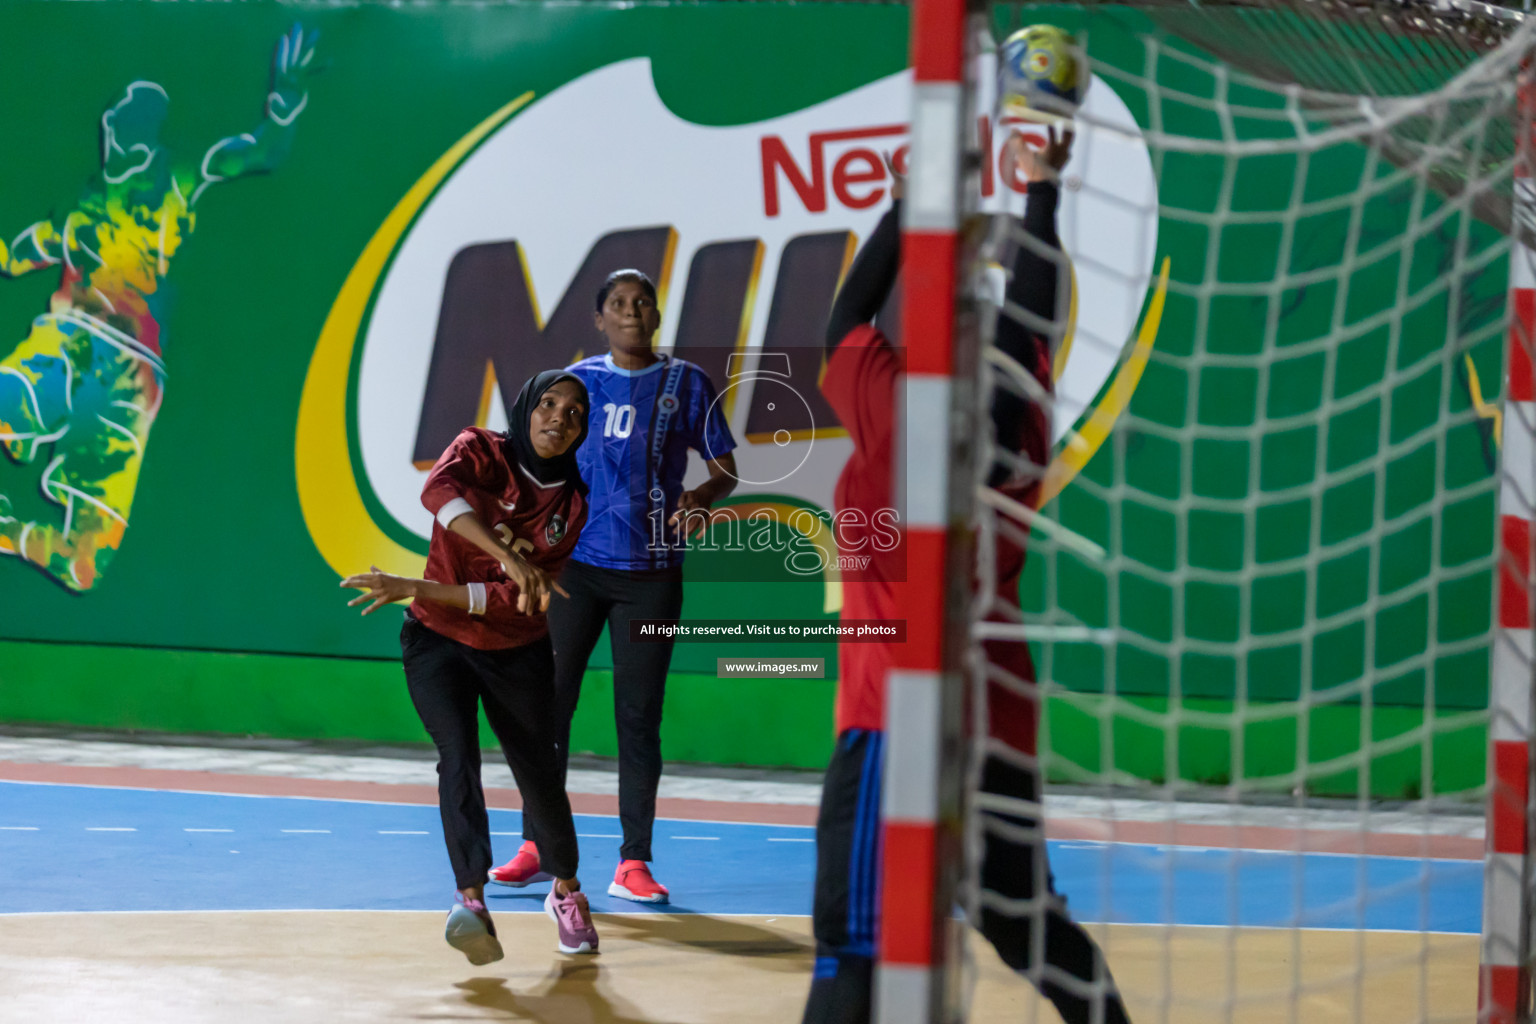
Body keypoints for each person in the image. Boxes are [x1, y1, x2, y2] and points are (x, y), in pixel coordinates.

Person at [801, 128, 1132, 1024]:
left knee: (850, 940)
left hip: (894, 718)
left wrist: (910, 204)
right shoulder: (1017, 431)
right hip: (1000, 722)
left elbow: (845, 322)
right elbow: (1030, 318)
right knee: (1024, 922)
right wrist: (1042, 191)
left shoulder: (892, 416)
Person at [0, 25, 315, 591]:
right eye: (121, 113)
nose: (122, 122)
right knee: (7, 410)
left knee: (84, 565)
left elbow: (261, 152)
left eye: (139, 115)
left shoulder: (176, 179)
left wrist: (286, 98)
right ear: (110, 127)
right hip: (71, 341)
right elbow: (15, 254)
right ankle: (20, 428)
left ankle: (6, 528)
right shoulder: (78, 208)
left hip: (132, 377)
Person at [488, 269, 738, 904]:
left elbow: (725, 468)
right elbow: (536, 464)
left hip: (652, 578)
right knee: (548, 710)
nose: (632, 311)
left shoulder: (688, 383)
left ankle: (633, 862)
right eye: (618, 304)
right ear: (599, 319)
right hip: (573, 572)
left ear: (656, 315)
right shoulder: (578, 387)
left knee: (638, 719)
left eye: (642, 302)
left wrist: (705, 494)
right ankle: (538, 845)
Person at [342, 370, 600, 962]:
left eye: (575, 413)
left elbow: (505, 602)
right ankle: (471, 902)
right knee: (456, 759)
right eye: (550, 404)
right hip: (436, 640)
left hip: (515, 649)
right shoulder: (480, 450)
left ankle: (565, 891)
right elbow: (439, 494)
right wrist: (508, 556)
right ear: (527, 407)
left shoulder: (571, 505)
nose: (559, 417)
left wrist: (416, 585)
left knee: (538, 775)